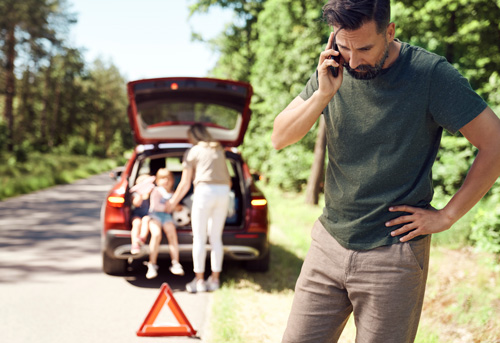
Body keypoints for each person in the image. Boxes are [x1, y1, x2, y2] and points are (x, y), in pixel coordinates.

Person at [272, 1, 500, 342]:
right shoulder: (332, 69)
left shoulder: (429, 74)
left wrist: (448, 216)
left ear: (389, 31)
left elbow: (495, 143)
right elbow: (280, 137)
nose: (353, 60)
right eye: (344, 46)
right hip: (328, 243)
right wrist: (322, 95)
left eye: (364, 47)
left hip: (393, 254)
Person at [166, 124, 231, 293]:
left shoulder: (193, 151)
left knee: (200, 238)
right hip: (224, 192)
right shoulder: (218, 149)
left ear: (194, 136)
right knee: (216, 237)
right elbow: (229, 180)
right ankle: (215, 280)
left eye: (189, 136)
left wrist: (172, 202)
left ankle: (200, 281)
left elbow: (185, 183)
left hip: (204, 192)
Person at [145, 168, 184, 279]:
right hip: (154, 216)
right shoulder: (156, 191)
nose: (165, 181)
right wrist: (168, 207)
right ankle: (152, 264)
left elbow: (177, 207)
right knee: (156, 234)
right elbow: (156, 206)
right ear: (157, 181)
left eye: (168, 178)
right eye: (162, 178)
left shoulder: (173, 194)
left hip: (167, 217)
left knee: (172, 234)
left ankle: (175, 263)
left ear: (172, 181)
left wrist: (175, 207)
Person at [130, 174, 154, 255]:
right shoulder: (136, 194)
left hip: (148, 214)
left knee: (146, 220)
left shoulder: (153, 193)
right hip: (137, 214)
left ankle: (142, 238)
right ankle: (135, 244)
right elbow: (136, 203)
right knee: (136, 223)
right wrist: (141, 193)